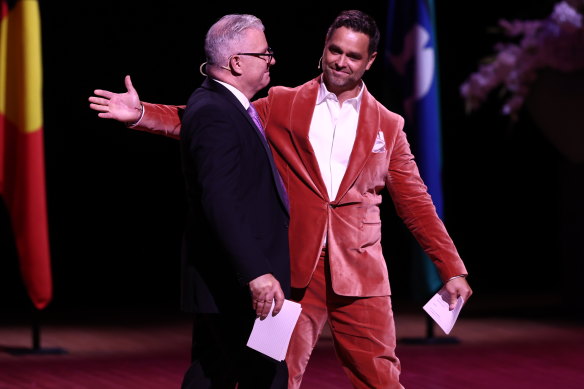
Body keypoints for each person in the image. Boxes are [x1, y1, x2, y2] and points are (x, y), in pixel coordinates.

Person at [89, 10, 472, 389]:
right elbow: (211, 120)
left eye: (353, 56)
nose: (340, 61)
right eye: (334, 50)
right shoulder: (283, 103)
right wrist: (141, 114)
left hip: (361, 273)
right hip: (292, 273)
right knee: (275, 377)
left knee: (382, 380)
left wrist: (451, 268)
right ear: (324, 47)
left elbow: (416, 203)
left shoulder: (388, 125)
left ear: (370, 61)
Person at [93, 14, 290, 389]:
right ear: (236, 62)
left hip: (235, 280)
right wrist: (257, 273)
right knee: (265, 376)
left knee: (213, 372)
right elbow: (220, 201)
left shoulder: (223, 106)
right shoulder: (215, 111)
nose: (272, 60)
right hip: (239, 283)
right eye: (265, 53)